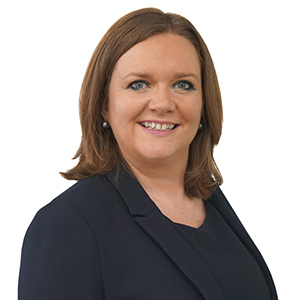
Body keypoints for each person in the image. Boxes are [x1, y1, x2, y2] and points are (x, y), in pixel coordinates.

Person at [18, 7, 277, 300]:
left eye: (183, 84)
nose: (162, 103)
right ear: (104, 103)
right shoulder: (68, 225)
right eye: (138, 84)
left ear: (204, 103)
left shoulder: (214, 206)